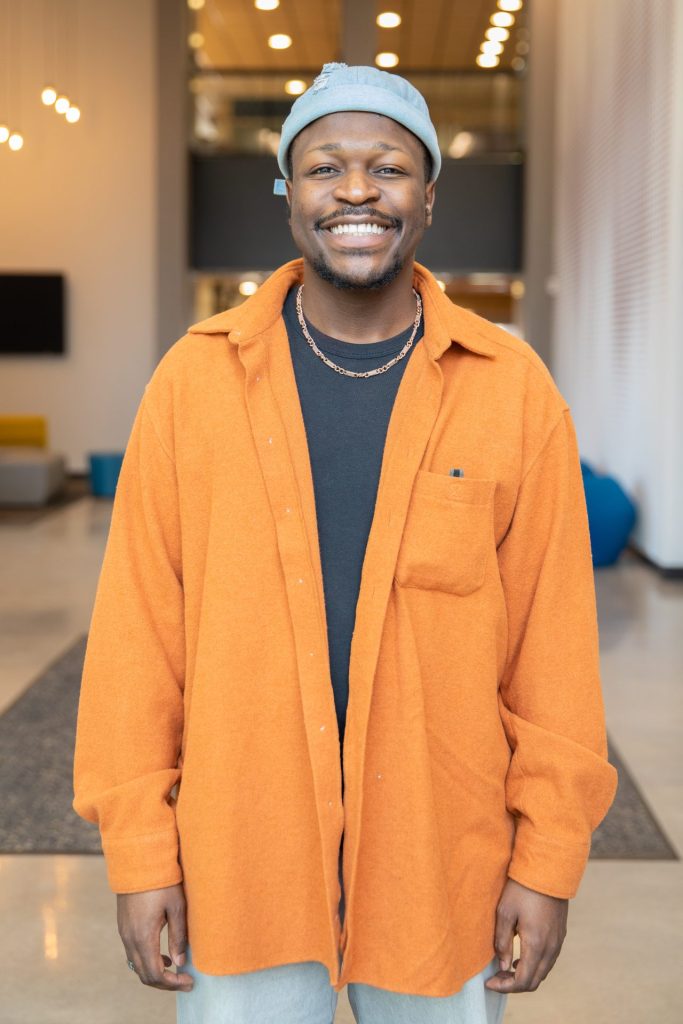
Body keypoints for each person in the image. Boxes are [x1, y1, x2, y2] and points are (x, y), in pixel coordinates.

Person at [72, 63, 618, 1024]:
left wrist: (547, 862)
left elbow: (553, 651)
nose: (358, 191)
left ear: (428, 198)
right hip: (240, 860)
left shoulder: (511, 392)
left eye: (389, 168)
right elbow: (136, 645)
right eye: (325, 167)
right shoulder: (193, 386)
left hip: (439, 866)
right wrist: (140, 852)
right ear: (289, 193)